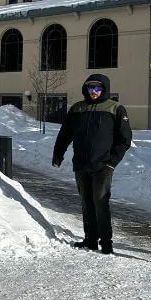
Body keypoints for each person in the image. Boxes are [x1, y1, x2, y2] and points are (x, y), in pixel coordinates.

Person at [52, 74, 132, 255]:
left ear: (104, 89)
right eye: (90, 87)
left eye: (97, 88)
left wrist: (112, 162)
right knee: (86, 203)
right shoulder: (78, 109)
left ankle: (106, 243)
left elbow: (124, 139)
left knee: (100, 203)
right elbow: (65, 134)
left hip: (103, 166)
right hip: (81, 164)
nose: (94, 91)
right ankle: (90, 240)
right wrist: (58, 154)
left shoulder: (115, 109)